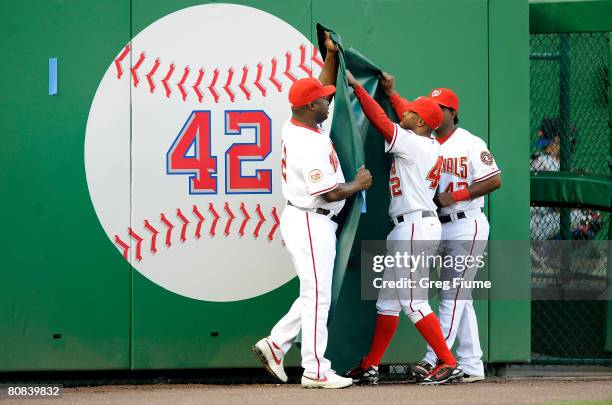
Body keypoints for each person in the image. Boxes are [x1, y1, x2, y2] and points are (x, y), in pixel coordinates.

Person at [252, 33, 373, 389]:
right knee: (319, 295)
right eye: (321, 102)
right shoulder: (307, 143)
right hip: (311, 219)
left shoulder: (302, 121)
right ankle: (315, 369)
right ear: (309, 108)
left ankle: (277, 343)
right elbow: (331, 191)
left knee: (315, 291)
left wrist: (331, 57)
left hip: (308, 219)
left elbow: (319, 87)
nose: (327, 101)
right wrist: (359, 184)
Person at [344, 71, 463, 385]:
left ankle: (448, 361)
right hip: (411, 226)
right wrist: (394, 93)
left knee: (413, 300)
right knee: (388, 301)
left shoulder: (414, 144)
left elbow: (383, 121)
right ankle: (371, 364)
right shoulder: (427, 140)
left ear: (420, 123)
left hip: (414, 227)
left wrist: (358, 88)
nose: (404, 112)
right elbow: (409, 114)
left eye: (411, 113)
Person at [406, 87, 502, 383]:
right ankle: (472, 364)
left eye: (440, 107)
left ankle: (435, 359)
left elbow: (494, 180)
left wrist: (458, 195)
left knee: (452, 294)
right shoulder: (426, 142)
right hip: (439, 223)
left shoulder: (470, 143)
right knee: (462, 297)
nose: (434, 110)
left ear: (452, 113)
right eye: (430, 106)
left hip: (466, 223)